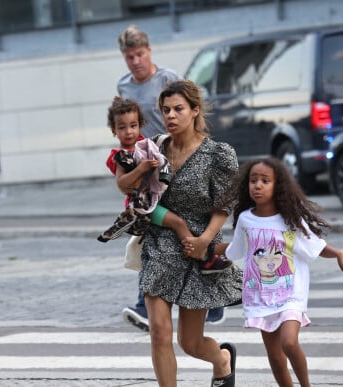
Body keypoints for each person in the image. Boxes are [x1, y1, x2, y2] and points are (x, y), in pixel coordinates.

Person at [116, 24, 226, 330]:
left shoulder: (168, 78)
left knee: (191, 227)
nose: (135, 61)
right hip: (145, 169)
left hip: (174, 161)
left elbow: (189, 114)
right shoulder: (123, 86)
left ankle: (212, 300)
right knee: (149, 228)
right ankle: (145, 304)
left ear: (149, 51)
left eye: (139, 54)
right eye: (129, 56)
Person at [217, 157, 343, 387]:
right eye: (253, 181)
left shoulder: (290, 219)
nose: (258, 186)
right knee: (274, 356)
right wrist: (204, 247)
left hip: (290, 294)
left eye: (265, 180)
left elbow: (316, 246)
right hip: (261, 296)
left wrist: (339, 254)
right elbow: (235, 250)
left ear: (278, 186)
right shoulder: (245, 219)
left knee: (289, 343)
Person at [140, 79, 242, 387]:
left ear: (195, 110)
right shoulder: (154, 150)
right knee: (159, 332)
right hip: (159, 246)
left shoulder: (217, 154)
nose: (170, 116)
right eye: (165, 110)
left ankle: (221, 359)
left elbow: (225, 204)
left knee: (190, 343)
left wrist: (205, 240)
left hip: (197, 250)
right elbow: (140, 197)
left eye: (178, 109)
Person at [98, 96, 233, 278]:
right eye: (122, 127)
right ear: (114, 130)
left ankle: (211, 252)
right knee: (178, 223)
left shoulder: (145, 144)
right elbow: (122, 184)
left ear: (140, 125)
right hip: (145, 206)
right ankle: (205, 256)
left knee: (188, 226)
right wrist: (141, 168)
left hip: (157, 199)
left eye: (133, 125)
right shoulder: (120, 155)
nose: (129, 132)